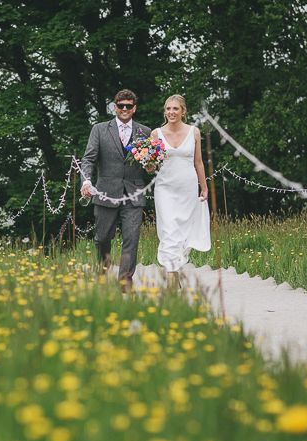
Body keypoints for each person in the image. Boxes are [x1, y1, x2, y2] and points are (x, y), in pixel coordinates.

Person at [80, 89, 152, 291]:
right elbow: (89, 159)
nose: (125, 109)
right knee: (102, 238)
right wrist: (86, 182)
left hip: (134, 193)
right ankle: (103, 273)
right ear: (115, 107)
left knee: (131, 239)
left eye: (129, 106)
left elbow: (153, 163)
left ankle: (125, 283)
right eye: (121, 106)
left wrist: (151, 166)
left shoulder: (144, 132)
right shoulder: (100, 129)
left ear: (134, 108)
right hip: (105, 192)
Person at [152, 95, 211, 283]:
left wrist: (204, 186)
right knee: (169, 230)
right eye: (168, 109)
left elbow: (199, 162)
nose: (171, 112)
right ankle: (171, 278)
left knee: (183, 232)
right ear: (165, 111)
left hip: (187, 187)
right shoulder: (156, 134)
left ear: (183, 111)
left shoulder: (194, 132)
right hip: (164, 188)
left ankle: (175, 269)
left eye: (175, 109)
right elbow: (152, 165)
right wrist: (147, 164)